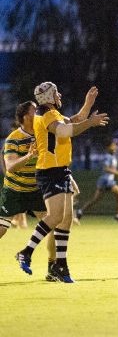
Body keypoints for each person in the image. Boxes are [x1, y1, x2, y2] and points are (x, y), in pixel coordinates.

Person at [15, 83, 107, 283]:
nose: (60, 94)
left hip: (61, 169)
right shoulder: (45, 113)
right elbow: (65, 131)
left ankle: (60, 266)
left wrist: (87, 104)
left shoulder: (51, 112)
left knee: (66, 220)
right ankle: (26, 252)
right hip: (50, 170)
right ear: (49, 96)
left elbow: (74, 121)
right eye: (56, 92)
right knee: (55, 216)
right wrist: (90, 123)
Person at [1, 101, 56, 281]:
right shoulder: (13, 139)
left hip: (35, 190)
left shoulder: (43, 133)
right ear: (26, 116)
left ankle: (52, 268)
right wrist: (29, 156)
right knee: (1, 229)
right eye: (35, 110)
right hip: (14, 191)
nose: (39, 113)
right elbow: (10, 166)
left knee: (52, 227)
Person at [76, 142, 118, 221]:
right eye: (113, 146)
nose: (115, 147)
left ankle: (80, 211)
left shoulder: (112, 157)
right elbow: (106, 169)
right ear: (108, 147)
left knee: (96, 199)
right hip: (106, 181)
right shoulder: (108, 157)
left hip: (107, 181)